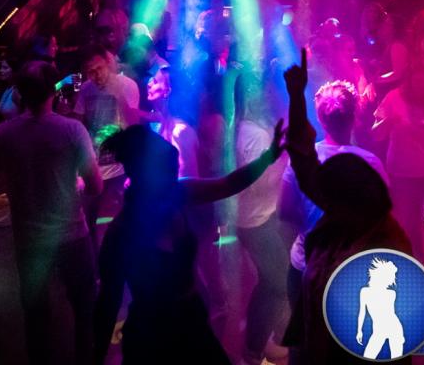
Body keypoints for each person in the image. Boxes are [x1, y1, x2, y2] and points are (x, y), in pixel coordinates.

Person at [93, 119, 286, 365]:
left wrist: (268, 158)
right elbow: (107, 304)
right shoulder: (122, 232)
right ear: (145, 173)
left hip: (191, 319)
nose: (175, 171)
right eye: (168, 166)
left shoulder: (176, 193)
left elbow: (229, 184)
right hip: (151, 336)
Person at [281, 49, 411, 365]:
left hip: (306, 265)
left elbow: (286, 208)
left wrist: (296, 95)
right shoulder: (368, 164)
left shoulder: (311, 167)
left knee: (305, 348)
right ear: (355, 117)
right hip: (355, 271)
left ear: (320, 119)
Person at [0, 62, 102, 365]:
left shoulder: (2, 134)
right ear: (53, 91)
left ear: (20, 93)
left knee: (36, 315)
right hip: (72, 234)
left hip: (28, 238)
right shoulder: (72, 130)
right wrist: (72, 183)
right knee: (84, 307)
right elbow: (95, 186)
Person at [372, 62, 424, 277]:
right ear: (409, 80)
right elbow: (375, 134)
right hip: (404, 174)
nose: (421, 86)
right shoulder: (394, 98)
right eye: (417, 80)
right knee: (409, 228)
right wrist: (388, 121)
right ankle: (416, 275)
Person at [234, 73, 289, 365]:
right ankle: (254, 349)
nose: (267, 96)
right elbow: (260, 185)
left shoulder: (248, 128)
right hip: (258, 221)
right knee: (276, 285)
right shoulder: (254, 135)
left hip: (256, 217)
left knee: (271, 281)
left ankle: (262, 342)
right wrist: (285, 160)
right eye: (260, 91)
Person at [72, 44, 141, 246]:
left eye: (99, 69)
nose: (96, 76)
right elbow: (79, 123)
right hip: (94, 162)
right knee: (89, 216)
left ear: (108, 64)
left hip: (120, 164)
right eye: (90, 72)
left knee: (124, 215)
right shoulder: (85, 89)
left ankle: (124, 254)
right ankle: (95, 257)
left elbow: (134, 124)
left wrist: (119, 95)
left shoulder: (127, 85)